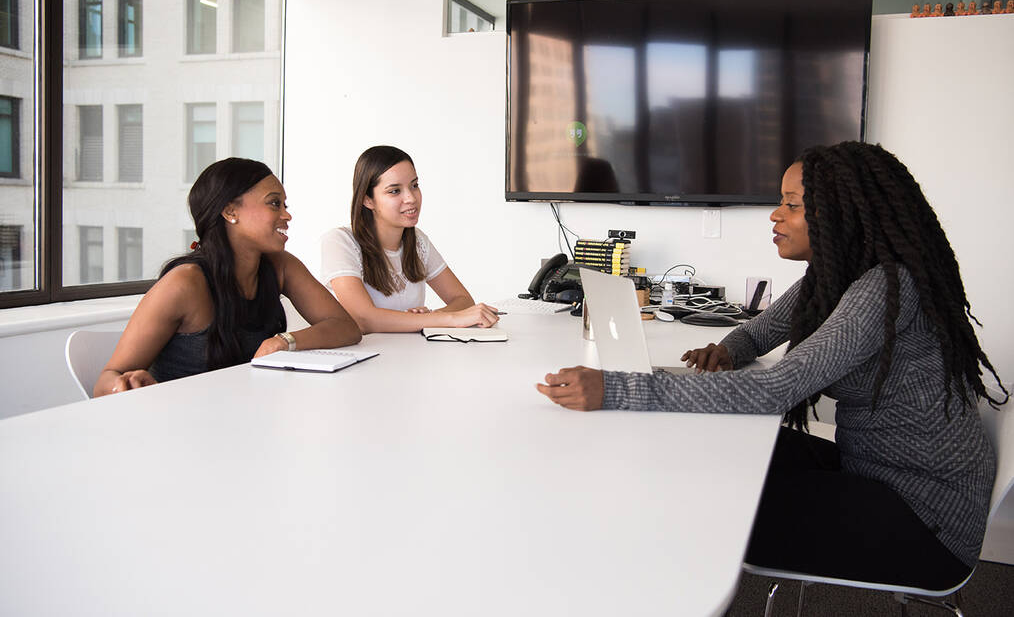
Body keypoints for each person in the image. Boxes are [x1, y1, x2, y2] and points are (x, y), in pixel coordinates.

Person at [536, 141, 1007, 590]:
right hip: (874, 469)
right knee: (720, 451)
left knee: (708, 503)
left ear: (840, 214)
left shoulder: (885, 287)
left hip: (924, 518)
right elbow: (760, 330)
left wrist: (618, 389)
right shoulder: (834, 278)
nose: (775, 215)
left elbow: (775, 389)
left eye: (793, 205)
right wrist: (729, 349)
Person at [95, 158, 361, 396]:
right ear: (230, 212)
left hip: (244, 417)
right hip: (183, 427)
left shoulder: (280, 266)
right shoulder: (184, 284)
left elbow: (345, 327)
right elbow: (105, 383)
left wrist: (284, 341)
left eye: (284, 204)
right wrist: (125, 385)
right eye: (274, 203)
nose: (286, 214)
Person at [321, 145, 499, 334]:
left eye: (414, 185)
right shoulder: (340, 241)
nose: (411, 198)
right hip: (365, 359)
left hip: (410, 356)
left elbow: (462, 300)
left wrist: (426, 318)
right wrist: (435, 319)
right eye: (395, 191)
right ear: (368, 200)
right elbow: (364, 319)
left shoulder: (418, 241)